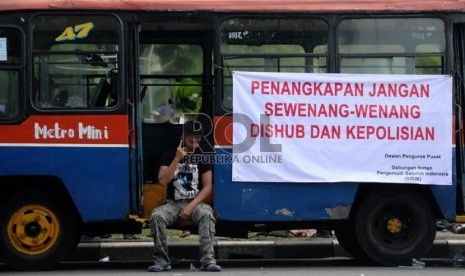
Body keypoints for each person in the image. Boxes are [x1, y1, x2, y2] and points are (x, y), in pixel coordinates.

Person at [148, 120, 221, 272]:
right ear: (183, 137)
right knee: (157, 216)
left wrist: (190, 207)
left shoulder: (202, 156)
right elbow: (163, 180)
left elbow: (207, 187)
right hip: (173, 204)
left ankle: (208, 261)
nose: (194, 145)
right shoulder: (169, 155)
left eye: (198, 141)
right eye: (190, 141)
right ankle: (162, 261)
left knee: (207, 214)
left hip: (195, 203)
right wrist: (177, 159)